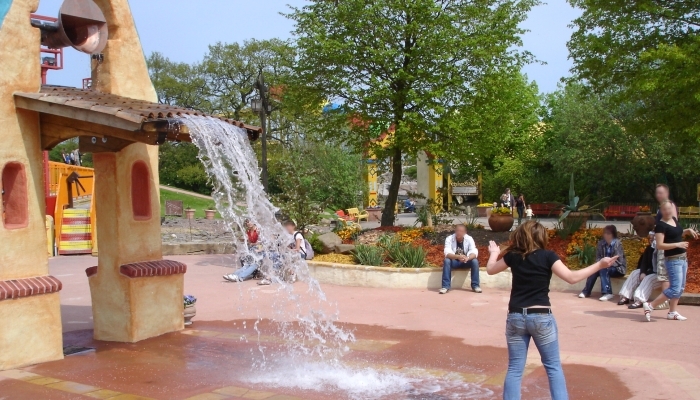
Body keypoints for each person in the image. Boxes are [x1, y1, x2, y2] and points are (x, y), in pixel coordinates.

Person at [486, 221, 618, 400]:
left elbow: (490, 269)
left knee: (515, 368)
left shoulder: (513, 256)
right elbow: (572, 278)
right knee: (553, 366)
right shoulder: (548, 256)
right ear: (541, 237)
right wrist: (600, 265)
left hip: (516, 316)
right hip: (540, 316)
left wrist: (494, 253)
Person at [643, 201, 698, 321]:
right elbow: (660, 245)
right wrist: (678, 244)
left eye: (670, 209)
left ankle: (672, 312)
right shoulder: (660, 226)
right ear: (661, 211)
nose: (668, 211)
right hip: (673, 260)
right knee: (675, 288)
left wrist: (687, 231)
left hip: (683, 258)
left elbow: (674, 235)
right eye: (665, 209)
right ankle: (650, 306)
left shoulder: (673, 219)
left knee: (681, 287)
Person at [578, 225, 627, 301]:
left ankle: (607, 293)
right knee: (594, 269)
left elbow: (619, 260)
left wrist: (608, 264)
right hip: (603, 265)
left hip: (617, 268)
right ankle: (586, 291)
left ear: (613, 235)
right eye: (605, 233)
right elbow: (598, 257)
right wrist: (600, 264)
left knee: (604, 269)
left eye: (608, 234)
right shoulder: (601, 243)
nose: (606, 235)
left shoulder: (617, 244)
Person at [617, 232, 656, 305]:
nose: (651, 237)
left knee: (648, 279)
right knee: (635, 273)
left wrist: (646, 273)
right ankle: (625, 296)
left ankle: (639, 300)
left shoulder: (662, 250)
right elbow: (644, 262)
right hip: (649, 271)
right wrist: (643, 272)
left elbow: (658, 268)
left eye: (654, 236)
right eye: (650, 235)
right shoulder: (649, 248)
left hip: (659, 274)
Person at [441, 224, 481, 294]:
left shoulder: (469, 239)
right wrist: (458, 257)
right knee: (447, 260)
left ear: (465, 232)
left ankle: (475, 286)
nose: (459, 232)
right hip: (455, 261)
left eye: (461, 231)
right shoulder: (449, 238)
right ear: (455, 231)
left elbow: (474, 252)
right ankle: (445, 286)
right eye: (457, 231)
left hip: (466, 261)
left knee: (475, 261)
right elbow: (447, 253)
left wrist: (467, 258)